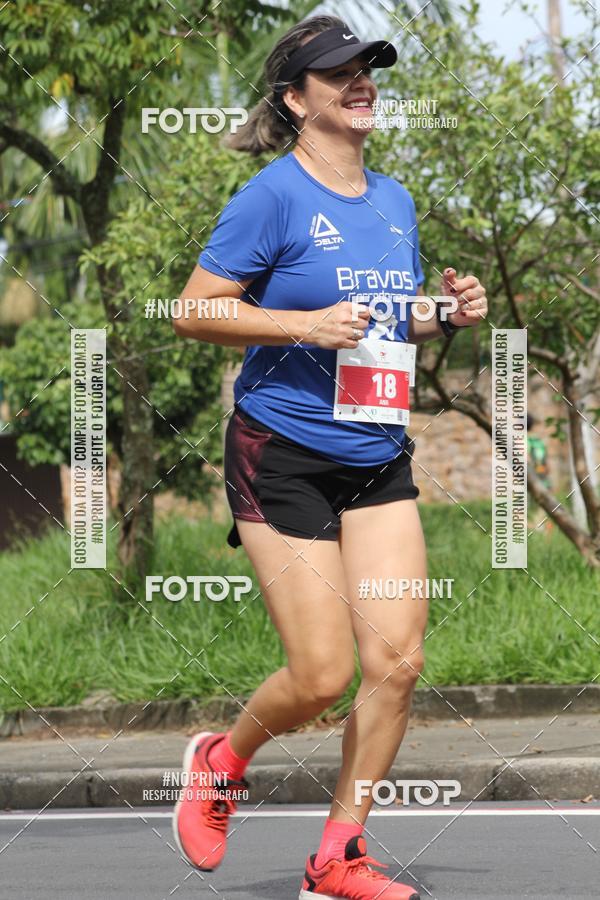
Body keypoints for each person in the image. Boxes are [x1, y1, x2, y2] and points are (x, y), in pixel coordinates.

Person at [172, 16, 488, 900]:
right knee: (320, 676)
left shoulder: (394, 199)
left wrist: (446, 314)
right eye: (338, 73)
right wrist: (301, 323)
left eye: (367, 70)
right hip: (285, 451)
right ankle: (220, 761)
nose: (361, 83)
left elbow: (393, 322)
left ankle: (338, 857)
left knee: (397, 661)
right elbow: (194, 310)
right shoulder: (270, 198)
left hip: (375, 450)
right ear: (294, 98)